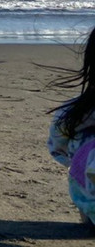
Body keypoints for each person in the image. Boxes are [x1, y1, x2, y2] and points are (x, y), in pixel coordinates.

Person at [48, 25, 95, 228]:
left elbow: (56, 146)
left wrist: (73, 160)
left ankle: (87, 214)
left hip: (88, 195)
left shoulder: (74, 111)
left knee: (84, 153)